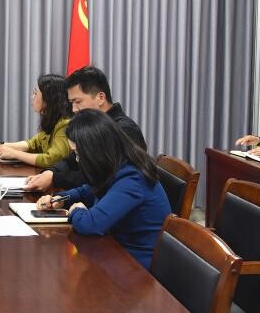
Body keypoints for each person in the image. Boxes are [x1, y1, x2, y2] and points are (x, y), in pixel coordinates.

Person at [36, 109, 170, 269]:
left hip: (135, 264)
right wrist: (62, 199)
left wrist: (76, 210)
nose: (77, 160)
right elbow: (88, 190)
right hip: (115, 248)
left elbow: (90, 225)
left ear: (94, 150)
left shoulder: (132, 178)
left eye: (78, 153)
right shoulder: (117, 163)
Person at [25, 65, 147, 192]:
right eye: (71, 103)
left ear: (101, 98)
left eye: (78, 102)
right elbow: (72, 159)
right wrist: (51, 172)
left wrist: (55, 178)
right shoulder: (91, 125)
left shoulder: (125, 130)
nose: (73, 109)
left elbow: (102, 176)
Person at [0, 73, 72, 168]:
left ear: (49, 98)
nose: (32, 97)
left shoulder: (65, 124)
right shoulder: (52, 119)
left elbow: (52, 159)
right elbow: (32, 144)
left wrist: (14, 154)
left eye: (35, 93)